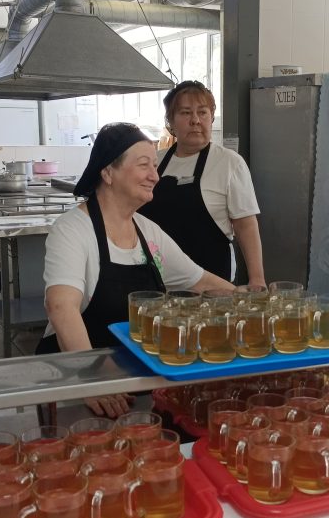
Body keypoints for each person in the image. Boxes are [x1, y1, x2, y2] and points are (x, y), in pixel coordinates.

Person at [37, 122, 234, 416]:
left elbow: (200, 281)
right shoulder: (73, 230)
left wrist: (257, 304)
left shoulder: (148, 232)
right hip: (77, 381)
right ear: (108, 173)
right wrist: (91, 379)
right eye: (144, 165)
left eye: (155, 165)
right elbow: (60, 306)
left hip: (133, 378)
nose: (155, 176)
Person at [138, 80, 266, 286]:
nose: (195, 120)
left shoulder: (229, 162)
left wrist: (257, 278)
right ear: (171, 121)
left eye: (203, 112)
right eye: (185, 113)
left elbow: (245, 225)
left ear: (211, 117)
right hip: (155, 279)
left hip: (211, 281)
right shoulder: (155, 161)